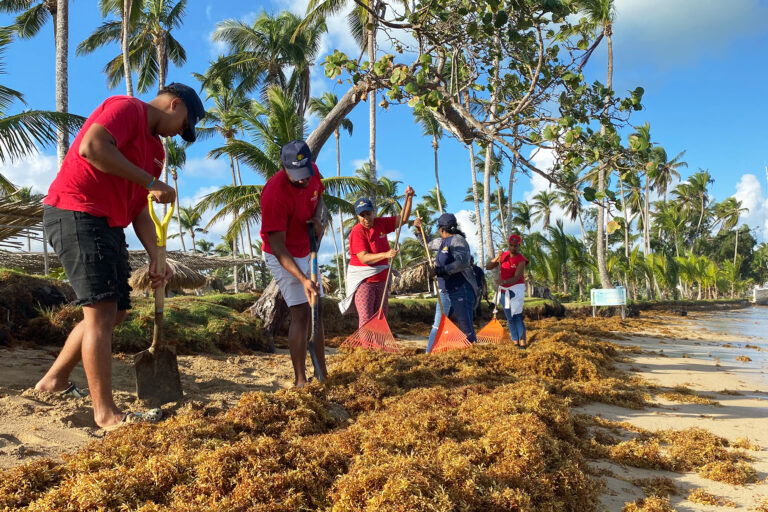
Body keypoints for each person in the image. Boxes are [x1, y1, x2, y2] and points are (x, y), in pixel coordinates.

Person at [35, 83, 206, 429]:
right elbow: (92, 147)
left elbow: (138, 210)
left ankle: (53, 381)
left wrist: (157, 256)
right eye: (183, 126)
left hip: (108, 222)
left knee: (118, 313)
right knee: (101, 312)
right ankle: (105, 414)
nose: (178, 134)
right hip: (76, 211)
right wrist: (151, 182)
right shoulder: (127, 108)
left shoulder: (155, 152)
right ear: (175, 105)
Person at [260, 139, 328, 388]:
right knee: (300, 312)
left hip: (306, 247)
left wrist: (317, 218)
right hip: (282, 253)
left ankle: (322, 374)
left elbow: (319, 195)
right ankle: (300, 379)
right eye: (296, 175)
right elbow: (278, 247)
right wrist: (303, 279)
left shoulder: (313, 172)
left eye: (305, 174)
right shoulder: (274, 195)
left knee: (316, 311)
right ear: (283, 167)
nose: (303, 180)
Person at [339, 187, 415, 326]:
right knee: (366, 317)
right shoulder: (357, 231)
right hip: (364, 282)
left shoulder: (381, 223)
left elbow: (403, 219)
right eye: (362, 215)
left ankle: (378, 346)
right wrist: (386, 254)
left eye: (368, 213)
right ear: (358, 216)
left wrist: (409, 198)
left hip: (382, 280)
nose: (366, 218)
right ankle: (367, 347)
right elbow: (364, 258)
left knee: (380, 317)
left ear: (373, 212)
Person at [416, 213, 478, 352]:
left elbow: (461, 263)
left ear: (441, 229)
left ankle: (473, 356)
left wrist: (439, 271)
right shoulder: (441, 242)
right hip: (445, 292)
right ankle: (429, 354)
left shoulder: (458, 241)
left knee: (465, 327)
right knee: (437, 325)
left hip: (461, 289)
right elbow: (427, 243)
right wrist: (419, 230)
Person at [486, 233, 529, 347]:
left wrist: (503, 282)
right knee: (509, 317)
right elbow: (488, 266)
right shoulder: (503, 255)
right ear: (508, 245)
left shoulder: (521, 259)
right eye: (511, 245)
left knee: (517, 315)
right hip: (504, 290)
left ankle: (523, 342)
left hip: (516, 289)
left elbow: (517, 276)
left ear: (519, 246)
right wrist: (497, 257)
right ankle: (515, 342)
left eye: (516, 246)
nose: (513, 248)